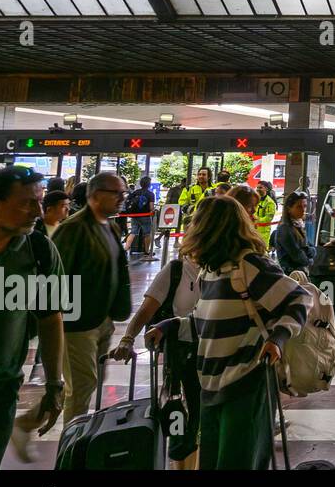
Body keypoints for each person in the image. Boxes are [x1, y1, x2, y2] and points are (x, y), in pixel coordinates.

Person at [146, 195, 308, 470]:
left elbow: (299, 300)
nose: (192, 229)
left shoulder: (249, 266)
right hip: (210, 386)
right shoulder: (210, 271)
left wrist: (277, 339)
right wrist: (170, 326)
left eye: (197, 222)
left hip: (246, 383)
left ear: (210, 228)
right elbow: (204, 322)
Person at [0, 167, 66, 470]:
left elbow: (50, 317)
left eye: (40, 202)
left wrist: (55, 383)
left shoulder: (39, 250)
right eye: (28, 202)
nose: (38, 212)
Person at [109, 247, 203, 467]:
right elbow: (146, 310)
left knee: (205, 421)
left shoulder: (222, 267)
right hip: (182, 357)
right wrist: (127, 338)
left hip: (216, 354)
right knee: (182, 420)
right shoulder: (177, 270)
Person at [52, 171, 132, 423]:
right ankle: (70, 446)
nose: (122, 198)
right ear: (96, 195)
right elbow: (58, 276)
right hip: (77, 322)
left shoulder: (110, 227)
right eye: (116, 193)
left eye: (123, 193)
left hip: (102, 319)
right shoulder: (73, 228)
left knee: (87, 381)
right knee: (83, 382)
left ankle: (35, 418)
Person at [271, 191, 314, 276]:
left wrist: (308, 252)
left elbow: (312, 248)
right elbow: (298, 256)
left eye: (305, 206)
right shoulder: (285, 228)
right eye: (298, 207)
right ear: (289, 208)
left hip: (299, 273)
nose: (303, 210)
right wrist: (309, 259)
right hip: (290, 275)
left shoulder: (298, 225)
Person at [124, 175, 156, 260]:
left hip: (135, 216)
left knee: (133, 232)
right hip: (145, 216)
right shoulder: (150, 194)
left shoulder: (135, 192)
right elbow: (151, 208)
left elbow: (128, 201)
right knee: (147, 234)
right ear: (149, 184)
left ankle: (125, 249)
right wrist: (153, 211)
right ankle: (146, 251)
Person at [254, 181, 277, 245]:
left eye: (260, 187)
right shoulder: (256, 199)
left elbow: (268, 219)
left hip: (263, 233)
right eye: (257, 187)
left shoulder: (270, 202)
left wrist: (256, 220)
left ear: (266, 189)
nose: (258, 189)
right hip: (254, 230)